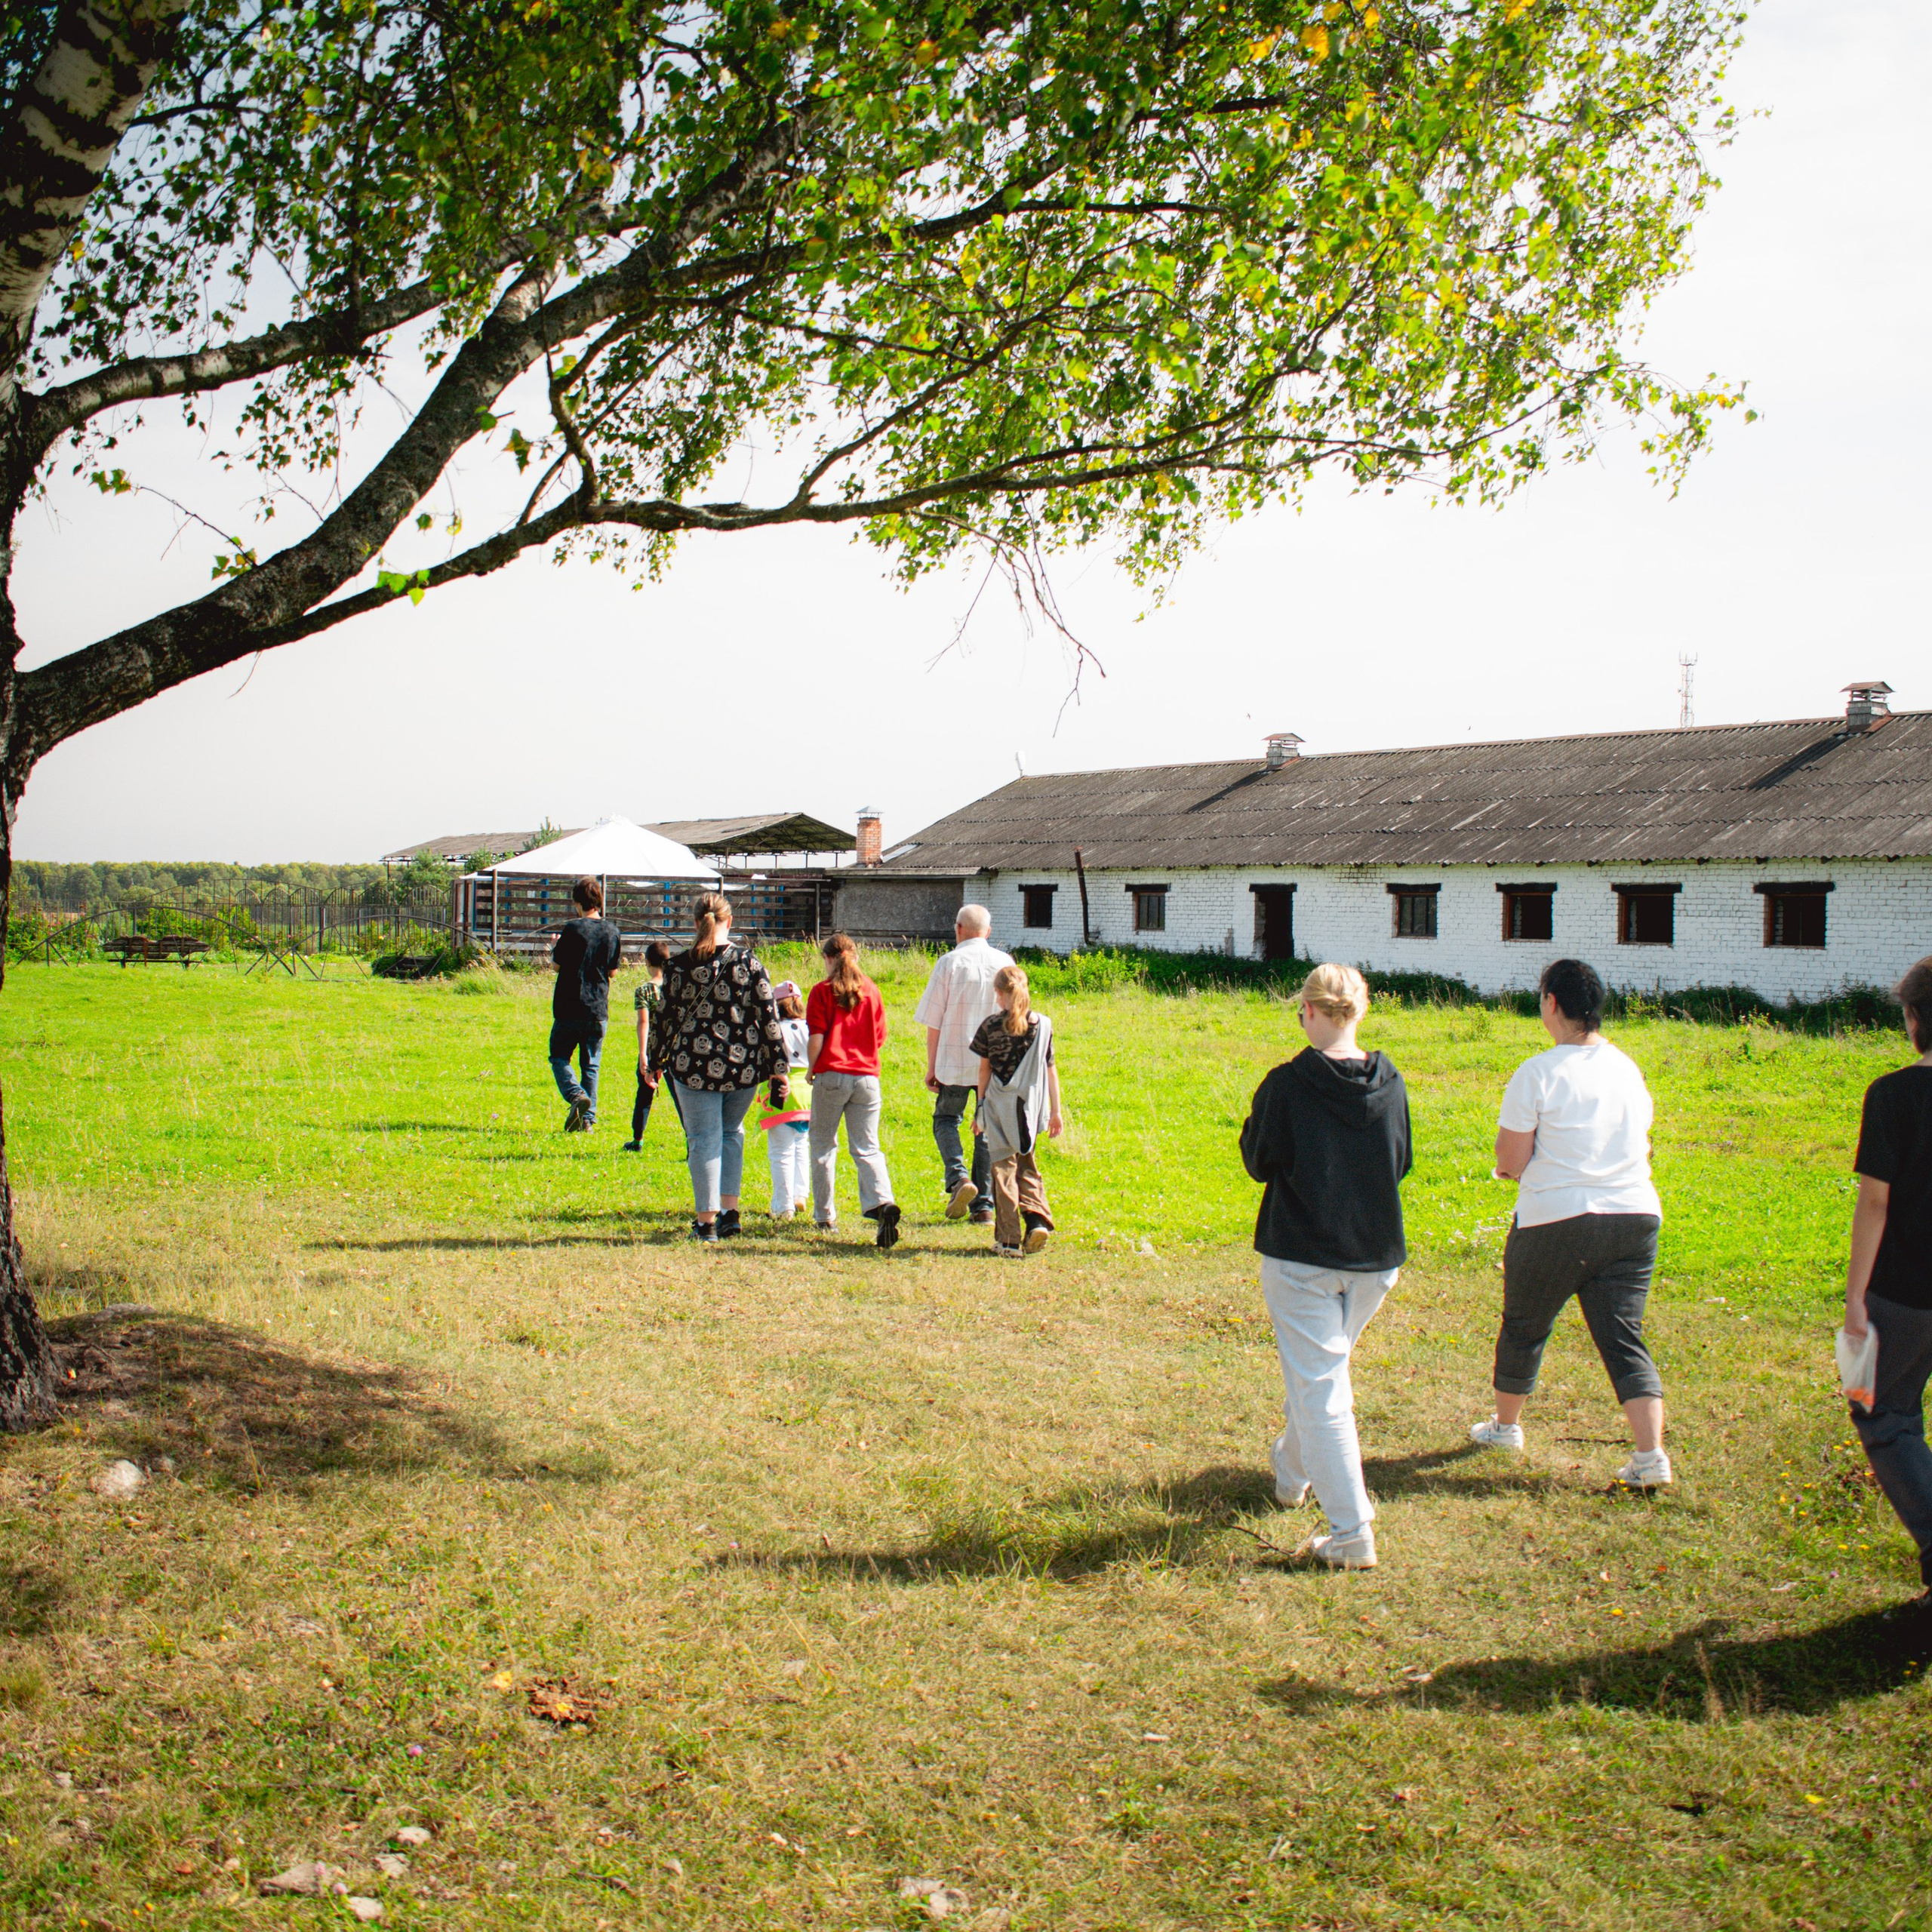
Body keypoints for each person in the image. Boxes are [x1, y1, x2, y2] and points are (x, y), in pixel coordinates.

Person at [1469, 957, 1670, 1489]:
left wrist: (1514, 1170)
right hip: (1634, 1216)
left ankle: (1505, 1428)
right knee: (1624, 1336)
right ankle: (1650, 1456)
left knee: (1525, 1325)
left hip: (1555, 1220)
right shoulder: (1627, 1068)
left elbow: (1511, 1158)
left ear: (1551, 1003)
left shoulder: (1538, 1072)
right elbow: (1643, 1143)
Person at [1240, 963, 1411, 1571]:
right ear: (1359, 1011)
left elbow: (1259, 1161)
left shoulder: (1287, 1085)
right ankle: (1291, 1472)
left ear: (1309, 1011)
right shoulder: (1390, 1083)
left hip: (1303, 1256)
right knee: (1321, 1377)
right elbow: (1400, 1161)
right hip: (1373, 1257)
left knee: (1322, 1390)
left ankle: (1351, 1531)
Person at [1843, 955, 1932, 1608]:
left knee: (1884, 1413)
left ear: (1914, 1019)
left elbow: (1875, 1203)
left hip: (1903, 1293)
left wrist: (1854, 1298)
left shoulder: (1893, 1095)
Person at [649, 891, 789, 1243]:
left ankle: (706, 1223)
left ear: (697, 922)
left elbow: (663, 1018)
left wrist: (654, 1061)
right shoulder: (749, 963)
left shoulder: (677, 967)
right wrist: (778, 1068)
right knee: (731, 1134)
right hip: (742, 1068)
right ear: (730, 921)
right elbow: (769, 1018)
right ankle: (730, 1214)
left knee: (703, 1139)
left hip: (692, 1067)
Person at [912, 906, 1014, 1223]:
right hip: (994, 1063)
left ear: (958, 929)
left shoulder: (949, 963)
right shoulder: (1005, 962)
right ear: (989, 931)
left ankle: (958, 1178)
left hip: (954, 1060)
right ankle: (983, 1205)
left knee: (946, 1119)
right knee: (985, 1129)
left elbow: (934, 1021)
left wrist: (931, 1066)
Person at [806, 933, 901, 1249]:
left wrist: (811, 1068)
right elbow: (880, 1037)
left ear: (827, 959)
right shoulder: (871, 990)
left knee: (823, 1145)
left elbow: (817, 1037)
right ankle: (882, 1201)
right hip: (867, 1078)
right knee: (867, 1148)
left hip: (832, 1074)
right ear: (856, 957)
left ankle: (825, 1216)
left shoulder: (821, 991)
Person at [971, 962, 1061, 1257]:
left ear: (999, 993)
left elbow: (984, 1071)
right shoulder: (1043, 1025)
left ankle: (1008, 1241)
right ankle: (1036, 1221)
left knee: (1003, 1170)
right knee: (1027, 1164)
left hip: (999, 1107)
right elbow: (1050, 1069)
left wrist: (980, 1109)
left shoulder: (990, 1026)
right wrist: (1056, 1111)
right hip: (1030, 1108)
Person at [549, 875, 622, 1132]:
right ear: (599, 901)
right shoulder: (612, 931)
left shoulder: (572, 929)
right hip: (597, 1009)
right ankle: (587, 1121)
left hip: (569, 1007)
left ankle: (576, 1095)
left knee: (559, 1056)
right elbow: (613, 972)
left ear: (577, 903)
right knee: (591, 1064)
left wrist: (554, 948)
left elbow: (557, 966)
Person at [761, 981, 813, 1219]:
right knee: (801, 1143)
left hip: (782, 1094)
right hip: (808, 1095)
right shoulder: (809, 1028)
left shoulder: (775, 1030)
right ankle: (800, 1194)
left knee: (781, 1150)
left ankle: (783, 1206)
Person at [622, 940, 675, 1152]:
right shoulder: (675, 987)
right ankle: (692, 1141)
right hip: (674, 1050)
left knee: (644, 1094)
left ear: (647, 962)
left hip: (653, 1049)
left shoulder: (644, 991)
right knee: (681, 1098)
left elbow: (643, 1022)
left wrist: (643, 1053)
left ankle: (638, 1139)